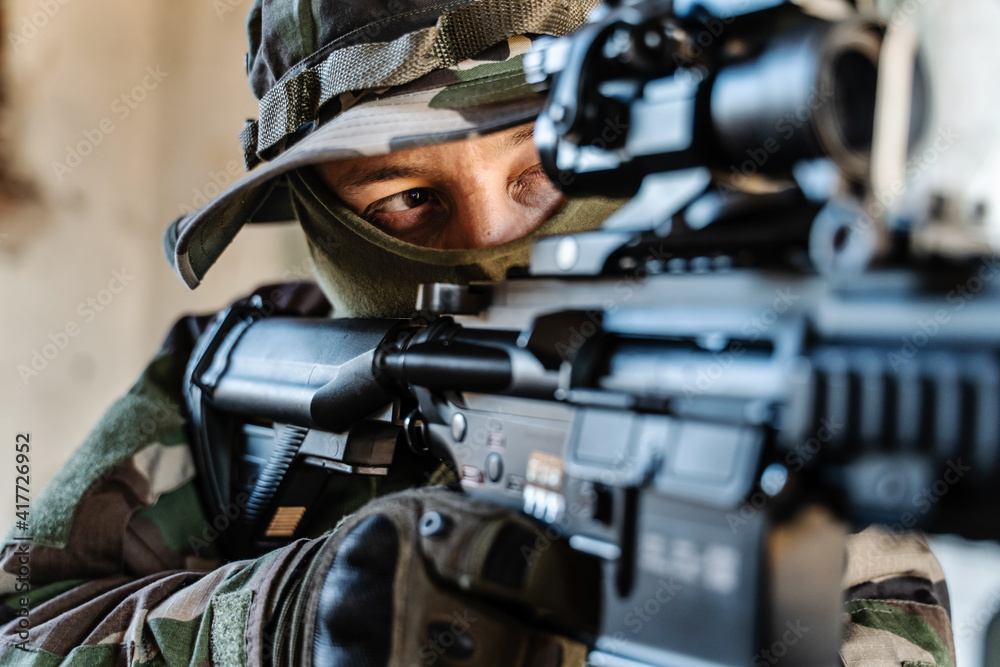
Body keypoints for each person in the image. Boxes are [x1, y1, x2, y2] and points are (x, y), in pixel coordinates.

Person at [0, 0, 956, 664]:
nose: (495, 243)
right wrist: (280, 621)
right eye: (410, 197)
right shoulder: (239, 380)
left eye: (538, 175)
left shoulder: (759, 403)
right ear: (315, 214)